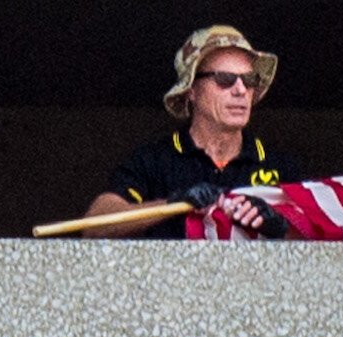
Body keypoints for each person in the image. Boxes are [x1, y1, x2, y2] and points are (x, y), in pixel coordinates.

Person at [83, 25, 302, 239]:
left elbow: (321, 245)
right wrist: (173, 204)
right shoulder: (153, 161)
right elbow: (95, 224)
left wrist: (280, 226)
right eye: (225, 79)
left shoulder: (280, 165)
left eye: (249, 79)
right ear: (191, 90)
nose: (241, 90)